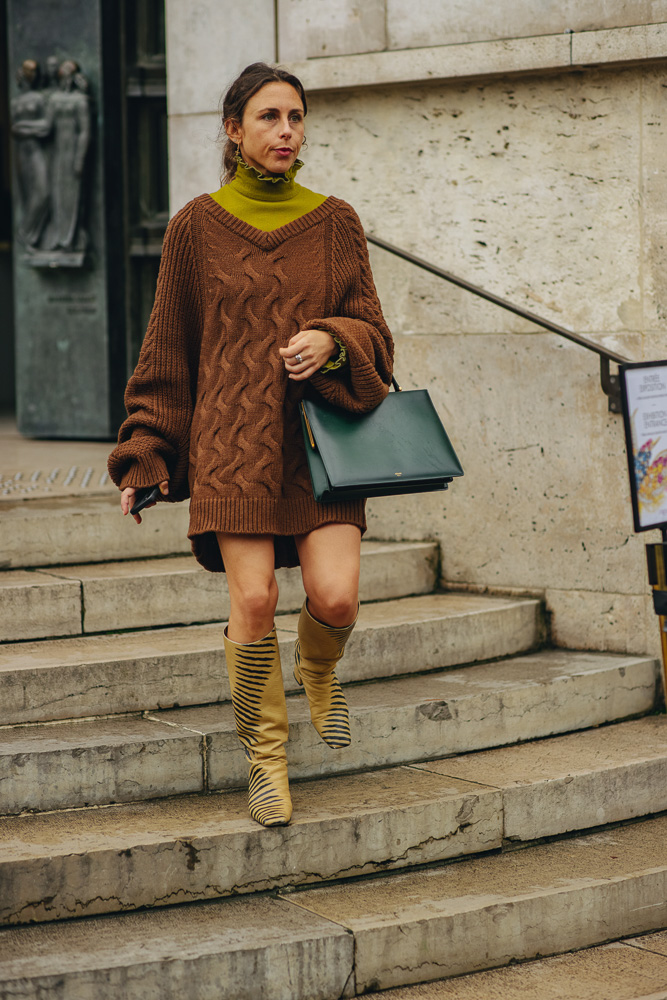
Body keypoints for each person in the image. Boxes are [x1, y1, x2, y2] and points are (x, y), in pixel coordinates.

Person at [108, 62, 394, 828]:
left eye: (295, 118)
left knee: (335, 595)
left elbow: (376, 335)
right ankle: (266, 756)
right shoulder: (194, 227)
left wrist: (331, 340)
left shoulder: (335, 221)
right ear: (233, 130)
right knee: (256, 597)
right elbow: (167, 352)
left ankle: (317, 668)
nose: (286, 132)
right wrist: (146, 452)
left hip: (318, 443)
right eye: (269, 117)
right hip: (231, 442)